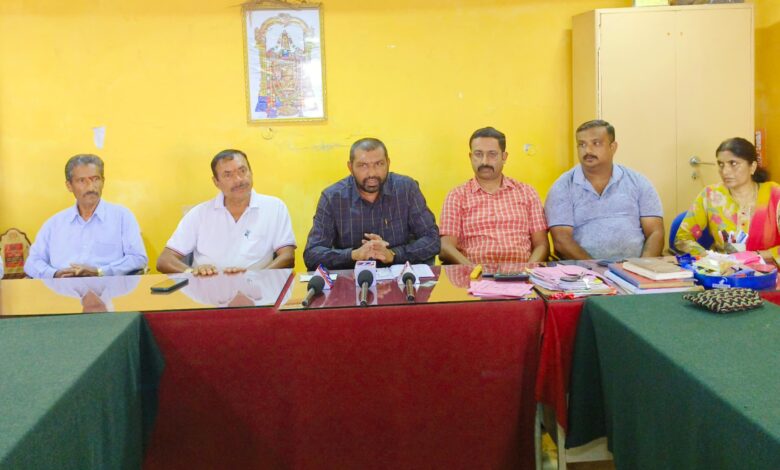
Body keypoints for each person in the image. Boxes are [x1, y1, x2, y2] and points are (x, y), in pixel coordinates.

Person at [303, 137, 440, 270]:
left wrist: (393, 254)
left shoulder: (406, 189)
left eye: (379, 164)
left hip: (401, 279)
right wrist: (353, 255)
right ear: (350, 167)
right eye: (363, 165)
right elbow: (312, 254)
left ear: (388, 163)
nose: (372, 173)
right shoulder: (332, 197)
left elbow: (433, 240)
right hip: (353, 281)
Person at [157, 149, 296, 275]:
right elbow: (165, 260)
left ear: (251, 172)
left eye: (242, 171)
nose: (238, 180)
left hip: (258, 290)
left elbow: (288, 257)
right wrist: (193, 273)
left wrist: (257, 277)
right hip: (208, 290)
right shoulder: (199, 214)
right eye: (228, 175)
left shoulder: (274, 207)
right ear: (216, 182)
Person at [545, 120, 664, 260]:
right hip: (583, 270)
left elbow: (655, 232)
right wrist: (596, 268)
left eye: (596, 143)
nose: (587, 151)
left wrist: (643, 267)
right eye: (582, 144)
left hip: (635, 267)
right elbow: (561, 241)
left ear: (613, 147)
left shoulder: (638, 182)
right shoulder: (563, 186)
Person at [25, 154, 148, 278]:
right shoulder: (54, 224)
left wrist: (100, 271)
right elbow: (32, 262)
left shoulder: (122, 217)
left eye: (95, 179)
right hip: (63, 288)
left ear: (103, 181)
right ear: (69, 186)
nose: (91, 187)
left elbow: (138, 258)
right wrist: (54, 274)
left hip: (108, 288)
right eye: (82, 181)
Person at [439, 127, 548, 264]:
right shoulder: (457, 196)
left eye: (492, 154)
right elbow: (446, 247)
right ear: (470, 157)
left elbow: (542, 245)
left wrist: (527, 272)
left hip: (521, 274)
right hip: (472, 274)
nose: (484, 161)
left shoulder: (527, 193)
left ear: (504, 157)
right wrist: (473, 270)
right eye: (478, 154)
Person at [675, 137, 780, 259]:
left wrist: (753, 257)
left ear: (752, 167)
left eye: (733, 163)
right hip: (724, 268)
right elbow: (682, 238)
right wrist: (711, 258)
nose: (725, 172)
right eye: (721, 164)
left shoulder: (775, 195)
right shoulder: (710, 195)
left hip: (768, 269)